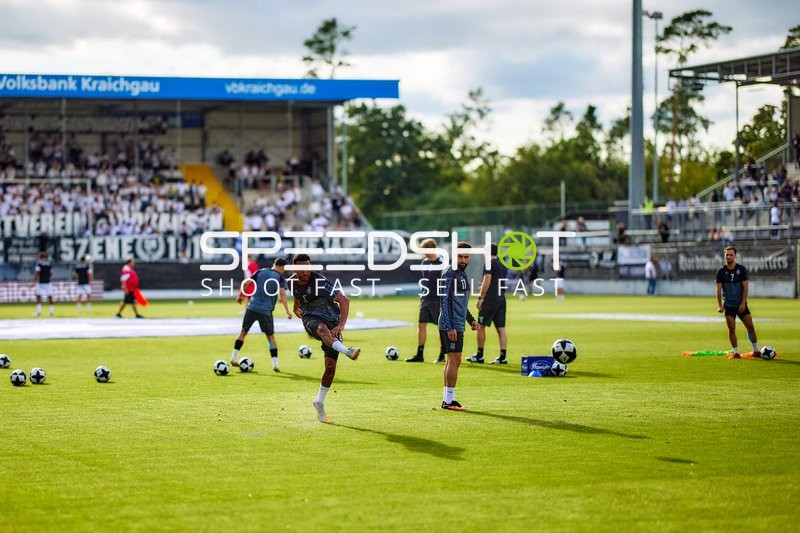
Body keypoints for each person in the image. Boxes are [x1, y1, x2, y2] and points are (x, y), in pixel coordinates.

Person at [288, 253, 360, 423]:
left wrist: (341, 325)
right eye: (301, 268)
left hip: (332, 321)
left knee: (330, 367)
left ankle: (319, 402)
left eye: (308, 267)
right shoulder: (290, 282)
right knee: (321, 329)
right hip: (311, 319)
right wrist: (295, 308)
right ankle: (347, 351)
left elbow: (344, 300)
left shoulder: (320, 282)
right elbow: (298, 297)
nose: (306, 272)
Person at [231, 257, 292, 372]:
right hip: (266, 312)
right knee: (270, 337)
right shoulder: (279, 278)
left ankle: (234, 358)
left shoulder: (260, 271)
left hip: (252, 308)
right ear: (282, 267)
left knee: (243, 332)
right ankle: (275, 365)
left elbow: (246, 282)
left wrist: (240, 295)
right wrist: (287, 311)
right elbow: (282, 294)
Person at [439, 242, 479, 411]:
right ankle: (449, 401)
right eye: (460, 256)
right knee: (454, 360)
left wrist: (471, 320)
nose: (463, 260)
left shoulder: (461, 274)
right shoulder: (450, 274)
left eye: (466, 257)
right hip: (451, 325)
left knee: (454, 360)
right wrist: (450, 327)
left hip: (457, 323)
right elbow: (445, 301)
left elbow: (461, 304)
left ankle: (448, 399)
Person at [715, 246, 761, 359]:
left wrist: (743, 303)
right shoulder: (721, 272)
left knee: (750, 328)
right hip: (729, 306)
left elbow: (745, 287)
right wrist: (720, 306)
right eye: (727, 255)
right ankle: (736, 352)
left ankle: (756, 350)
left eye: (731, 255)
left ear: (735, 256)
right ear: (724, 256)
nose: (729, 257)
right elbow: (718, 289)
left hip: (741, 304)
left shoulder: (741, 269)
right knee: (731, 329)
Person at [406, 238, 446, 364]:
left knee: (441, 328)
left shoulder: (443, 264)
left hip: (438, 300)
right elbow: (424, 280)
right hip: (426, 299)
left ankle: (442, 354)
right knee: (421, 324)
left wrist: (444, 301)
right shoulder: (424, 262)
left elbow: (446, 284)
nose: (423, 253)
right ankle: (420, 354)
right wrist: (422, 296)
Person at [467, 243, 509, 365]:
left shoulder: (489, 263)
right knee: (501, 328)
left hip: (489, 300)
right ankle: (503, 356)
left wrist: (480, 297)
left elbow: (488, 280)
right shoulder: (502, 264)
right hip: (501, 299)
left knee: (480, 326)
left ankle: (479, 355)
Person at [31, 251, 54, 317]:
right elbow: (51, 273)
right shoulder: (49, 263)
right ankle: (51, 312)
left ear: (40, 257)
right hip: (48, 282)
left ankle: (38, 312)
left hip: (41, 283)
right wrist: (47, 277)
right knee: (50, 297)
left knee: (38, 297)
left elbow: (37, 273)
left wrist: (33, 282)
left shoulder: (39, 263)